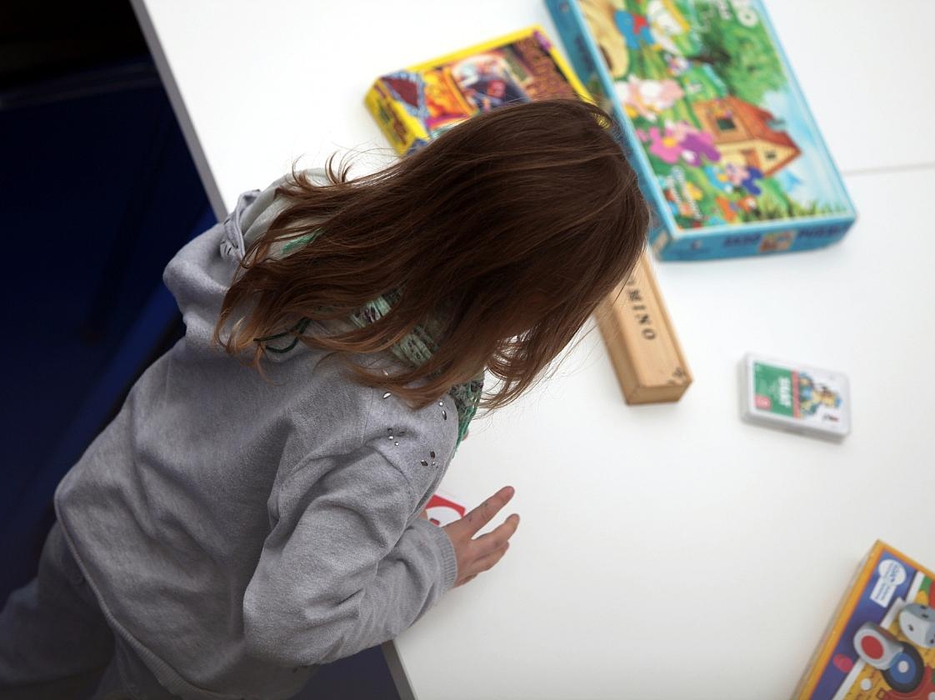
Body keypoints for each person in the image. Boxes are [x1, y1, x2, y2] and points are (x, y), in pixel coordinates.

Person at [0, 98, 649, 699]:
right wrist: (433, 560)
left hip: (103, 512)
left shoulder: (295, 213)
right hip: (180, 646)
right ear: (534, 306)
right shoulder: (404, 429)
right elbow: (290, 628)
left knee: (26, 663)